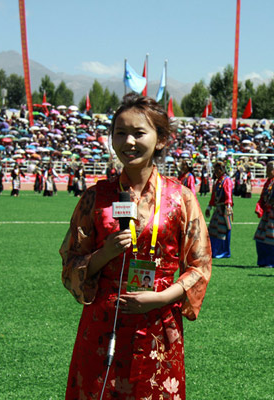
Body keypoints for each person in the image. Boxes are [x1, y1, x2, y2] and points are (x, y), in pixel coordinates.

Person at [60, 93, 212, 399]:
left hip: (159, 325)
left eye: (139, 133)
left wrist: (161, 297)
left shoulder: (181, 198)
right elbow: (70, 262)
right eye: (120, 132)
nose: (128, 141)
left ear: (160, 140)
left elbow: (200, 264)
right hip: (103, 323)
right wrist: (104, 254)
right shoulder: (95, 197)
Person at [205, 161, 233, 258]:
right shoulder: (218, 181)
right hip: (217, 209)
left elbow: (228, 193)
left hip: (224, 209)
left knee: (224, 229)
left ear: (222, 170)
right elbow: (213, 196)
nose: (215, 173)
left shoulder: (227, 180)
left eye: (217, 170)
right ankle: (213, 249)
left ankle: (224, 251)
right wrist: (209, 207)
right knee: (213, 229)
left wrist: (229, 206)